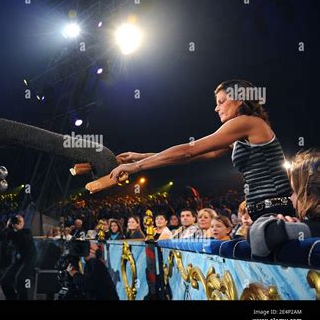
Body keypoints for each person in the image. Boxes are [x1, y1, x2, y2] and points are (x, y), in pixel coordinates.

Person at [110, 80, 294, 221]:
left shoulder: (246, 122)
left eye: (221, 101)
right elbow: (193, 156)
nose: (216, 108)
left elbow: (190, 150)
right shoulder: (241, 133)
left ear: (239, 100)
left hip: (274, 211)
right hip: (265, 212)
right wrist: (139, 157)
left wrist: (137, 167)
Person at [249, 150, 320, 257]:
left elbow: (258, 242)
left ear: (309, 195)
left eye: (294, 191)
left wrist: (277, 222)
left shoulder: (307, 229)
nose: (291, 198)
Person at [0, 215, 37, 300]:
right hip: (18, 261)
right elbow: (1, 237)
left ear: (22, 223)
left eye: (18, 221)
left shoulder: (27, 231)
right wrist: (8, 226)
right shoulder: (12, 232)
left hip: (29, 260)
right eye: (16, 221)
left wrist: (18, 228)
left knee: (20, 279)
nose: (17, 222)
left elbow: (25, 239)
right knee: (5, 281)